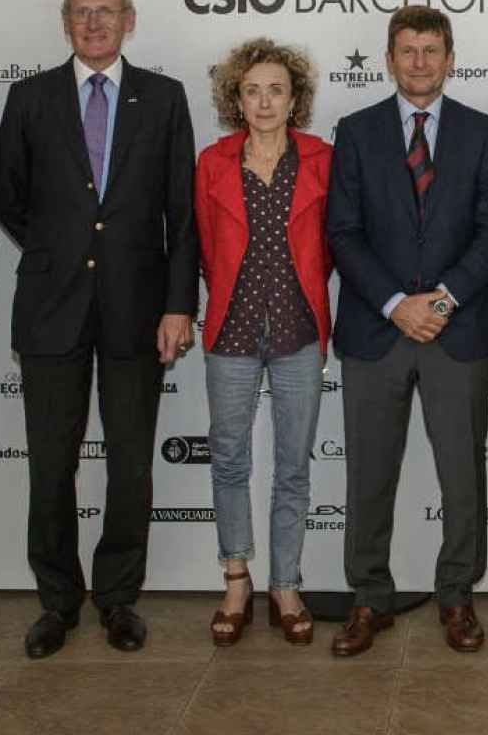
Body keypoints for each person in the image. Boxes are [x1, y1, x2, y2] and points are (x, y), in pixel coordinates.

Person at [0, 0, 198, 658]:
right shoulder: (28, 98)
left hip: (138, 311)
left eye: (105, 12)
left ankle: (117, 597)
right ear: (65, 22)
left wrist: (178, 302)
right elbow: (10, 198)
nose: (94, 24)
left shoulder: (165, 98)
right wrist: (61, 248)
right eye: (81, 13)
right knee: (51, 464)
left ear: (129, 20)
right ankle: (57, 600)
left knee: (130, 464)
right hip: (51, 309)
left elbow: (182, 211)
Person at [325, 5, 488, 656]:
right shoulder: (356, 130)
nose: (420, 62)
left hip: (457, 330)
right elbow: (342, 231)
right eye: (408, 50)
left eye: (432, 50)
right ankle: (369, 596)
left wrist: (444, 298)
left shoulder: (485, 133)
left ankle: (457, 596)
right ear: (389, 59)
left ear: (450, 58)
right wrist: (397, 302)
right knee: (368, 474)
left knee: (463, 475)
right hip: (377, 331)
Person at [194, 38, 333, 647]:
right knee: (228, 458)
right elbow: (198, 244)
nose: (265, 100)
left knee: (293, 466)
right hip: (232, 329)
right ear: (236, 100)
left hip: (301, 329)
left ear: (295, 97)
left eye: (276, 88)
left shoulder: (325, 160)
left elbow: (341, 240)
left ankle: (285, 583)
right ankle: (236, 577)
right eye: (252, 90)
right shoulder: (213, 163)